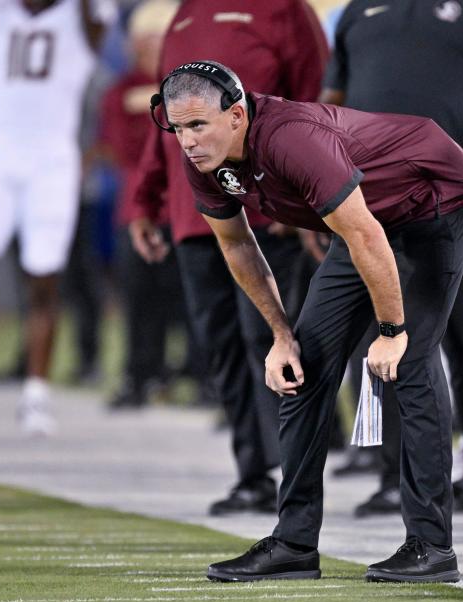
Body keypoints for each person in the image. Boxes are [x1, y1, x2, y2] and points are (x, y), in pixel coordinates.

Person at [152, 60, 463, 582]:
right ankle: (294, 544)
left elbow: (369, 236)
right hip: (363, 224)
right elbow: (238, 244)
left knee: (410, 363)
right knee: (301, 371)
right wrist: (282, 335)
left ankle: (432, 546)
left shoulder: (291, 138)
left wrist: (391, 332)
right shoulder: (207, 160)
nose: (188, 141)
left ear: (237, 115)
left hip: (427, 201)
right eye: (178, 128)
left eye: (198, 125)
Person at [322, 0, 463, 514]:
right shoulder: (358, 10)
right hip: (370, 201)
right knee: (384, 334)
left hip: (459, 197)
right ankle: (394, 476)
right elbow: (332, 101)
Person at [129, 0, 328, 516]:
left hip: (266, 208)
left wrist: (304, 191)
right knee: (219, 344)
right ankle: (252, 475)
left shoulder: (284, 8)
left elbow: (316, 99)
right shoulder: (186, 13)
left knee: (271, 339)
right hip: (194, 213)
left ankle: (297, 478)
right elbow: (165, 120)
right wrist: (145, 199)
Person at [0, 0, 115, 435]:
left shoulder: (81, 20)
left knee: (44, 281)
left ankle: (36, 396)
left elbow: (97, 21)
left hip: (52, 160)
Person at [101, 0, 184, 409]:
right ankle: (139, 374)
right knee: (138, 299)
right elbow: (124, 148)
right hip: (138, 208)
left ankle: (205, 378)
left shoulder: (190, 88)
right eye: (142, 42)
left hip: (186, 209)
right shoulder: (119, 91)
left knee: (192, 301)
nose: (147, 49)